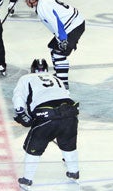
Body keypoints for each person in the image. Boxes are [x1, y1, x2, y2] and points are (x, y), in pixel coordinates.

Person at [12, 59, 80, 190]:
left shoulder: (26, 78)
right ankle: (74, 172)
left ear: (32, 70)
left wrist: (21, 114)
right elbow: (66, 94)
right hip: (70, 113)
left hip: (46, 116)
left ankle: (27, 180)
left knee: (33, 148)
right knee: (68, 144)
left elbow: (18, 97)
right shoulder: (56, 78)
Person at [21, 0, 85, 89]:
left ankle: (63, 83)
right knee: (53, 48)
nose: (26, 1)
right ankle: (60, 74)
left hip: (74, 26)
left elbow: (56, 23)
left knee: (58, 53)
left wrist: (63, 39)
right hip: (71, 24)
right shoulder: (43, 1)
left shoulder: (43, 7)